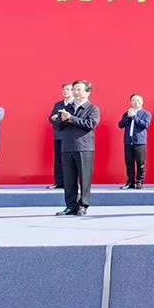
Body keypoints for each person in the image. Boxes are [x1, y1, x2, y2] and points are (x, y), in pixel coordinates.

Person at [53, 80, 100, 216]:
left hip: (84, 148)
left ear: (87, 92)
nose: (75, 92)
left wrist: (71, 118)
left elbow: (90, 124)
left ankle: (83, 205)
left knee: (84, 179)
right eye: (74, 89)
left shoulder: (93, 109)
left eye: (79, 89)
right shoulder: (66, 107)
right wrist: (60, 119)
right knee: (69, 179)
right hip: (67, 147)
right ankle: (70, 206)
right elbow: (57, 126)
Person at [117, 94, 152, 189]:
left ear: (142, 102)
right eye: (134, 100)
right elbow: (120, 125)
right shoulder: (127, 113)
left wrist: (134, 117)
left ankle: (139, 182)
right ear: (130, 102)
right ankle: (130, 182)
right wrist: (128, 117)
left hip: (140, 142)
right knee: (129, 163)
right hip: (128, 142)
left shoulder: (146, 114)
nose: (136, 102)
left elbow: (145, 125)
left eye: (138, 100)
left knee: (140, 163)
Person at [48, 83, 74, 188]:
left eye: (68, 89)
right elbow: (51, 118)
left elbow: (71, 120)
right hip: (59, 136)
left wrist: (58, 119)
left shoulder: (75, 104)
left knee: (71, 161)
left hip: (72, 137)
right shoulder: (58, 104)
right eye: (64, 89)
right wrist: (55, 119)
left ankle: (71, 183)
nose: (65, 91)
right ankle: (59, 182)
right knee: (59, 160)